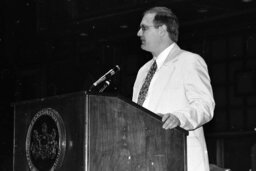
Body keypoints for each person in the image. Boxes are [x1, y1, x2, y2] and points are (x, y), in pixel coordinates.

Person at [132, 6, 215, 171]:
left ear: (162, 29)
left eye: (144, 28)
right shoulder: (142, 71)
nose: (138, 33)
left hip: (180, 159)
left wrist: (179, 118)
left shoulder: (189, 61)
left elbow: (205, 105)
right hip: (145, 160)